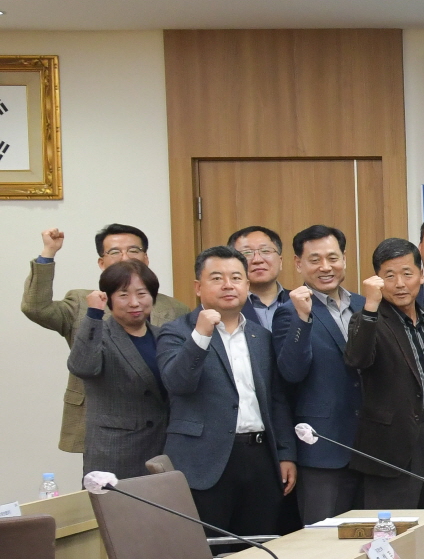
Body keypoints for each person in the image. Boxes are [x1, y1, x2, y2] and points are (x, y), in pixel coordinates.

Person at [158, 246, 297, 536]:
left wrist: (286, 453)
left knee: (258, 547)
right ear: (198, 287)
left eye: (236, 277)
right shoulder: (177, 331)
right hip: (203, 461)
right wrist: (201, 335)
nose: (228, 285)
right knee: (206, 550)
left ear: (247, 284)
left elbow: (276, 400)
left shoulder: (260, 336)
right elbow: (178, 383)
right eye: (217, 278)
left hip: (259, 458)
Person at [23, 224, 189, 457]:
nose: (125, 257)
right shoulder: (82, 302)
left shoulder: (175, 308)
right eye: (114, 252)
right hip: (104, 424)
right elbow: (36, 308)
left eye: (133, 250)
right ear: (101, 263)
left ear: (146, 258)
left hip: (162, 422)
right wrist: (48, 253)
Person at [343, 238, 424, 509]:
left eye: (407, 274)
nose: (400, 284)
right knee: (394, 526)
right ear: (377, 281)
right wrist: (370, 306)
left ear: (421, 275)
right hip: (392, 443)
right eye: (389, 276)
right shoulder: (369, 320)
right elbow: (358, 359)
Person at [270, 225, 366, 524]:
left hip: (370, 446)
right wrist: (303, 318)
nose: (326, 267)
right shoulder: (289, 312)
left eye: (332, 258)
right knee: (323, 537)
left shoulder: (364, 305)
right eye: (315, 260)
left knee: (373, 534)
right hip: (323, 447)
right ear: (298, 264)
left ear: (344, 259)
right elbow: (291, 372)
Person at [66, 260, 170, 479]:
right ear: (109, 299)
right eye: (123, 295)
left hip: (163, 450)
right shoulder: (99, 334)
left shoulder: (165, 336)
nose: (134, 303)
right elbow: (82, 367)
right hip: (115, 453)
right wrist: (94, 314)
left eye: (142, 294)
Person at [228, 226, 287, 329]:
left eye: (266, 251)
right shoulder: (225, 307)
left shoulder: (303, 302)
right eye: (247, 253)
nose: (257, 260)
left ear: (280, 261)